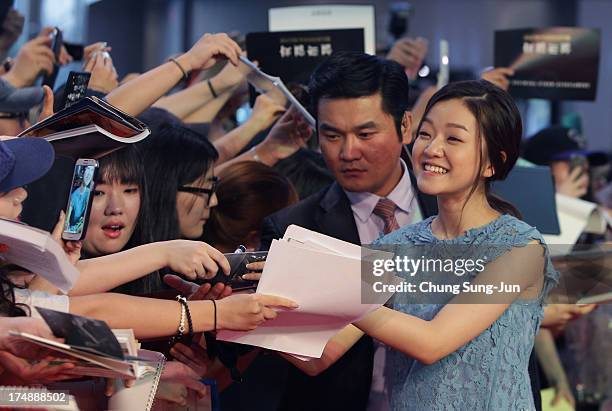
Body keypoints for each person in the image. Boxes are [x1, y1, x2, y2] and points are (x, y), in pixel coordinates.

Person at [285, 80, 559, 410]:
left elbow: (433, 342)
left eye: (453, 138)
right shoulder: (392, 247)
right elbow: (322, 354)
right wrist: (261, 304)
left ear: (492, 163)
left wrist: (335, 285)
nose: (431, 149)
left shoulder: (521, 247)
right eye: (426, 134)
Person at [253, 51, 437, 411]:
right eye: (332, 135)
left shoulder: (454, 207)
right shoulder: (293, 229)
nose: (348, 152)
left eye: (366, 133)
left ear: (405, 127)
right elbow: (303, 354)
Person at [66, 164, 94, 233]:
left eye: (92, 170)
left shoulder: (90, 194)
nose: (89, 174)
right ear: (82, 172)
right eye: (87, 169)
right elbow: (67, 218)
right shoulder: (73, 194)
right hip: (71, 230)